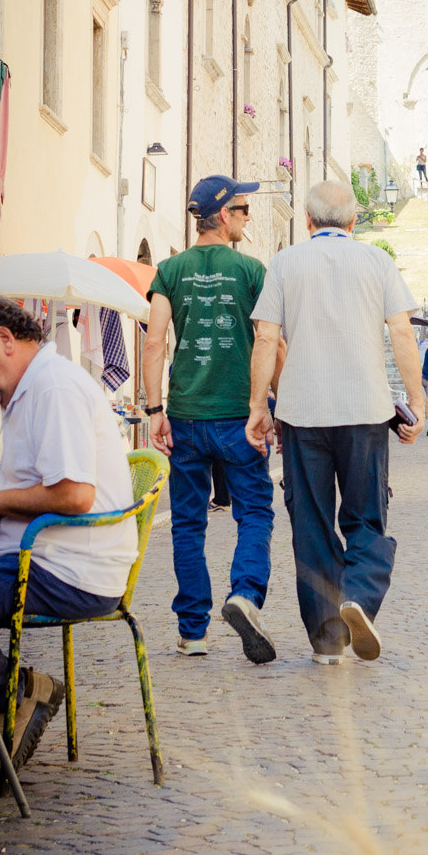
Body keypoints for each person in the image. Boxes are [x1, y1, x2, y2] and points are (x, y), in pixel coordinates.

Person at [246, 180, 424, 666]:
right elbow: (402, 332)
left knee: (311, 523)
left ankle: (327, 641)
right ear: (352, 222)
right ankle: (359, 599)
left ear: (307, 221)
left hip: (302, 412)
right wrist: (416, 399)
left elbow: (266, 339)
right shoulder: (377, 262)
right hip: (365, 408)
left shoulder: (284, 262)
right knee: (366, 516)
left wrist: (258, 407)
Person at [0, 298, 138, 788]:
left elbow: (73, 493)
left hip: (67, 568)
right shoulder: (26, 390)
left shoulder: (54, 386)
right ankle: (3, 693)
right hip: (38, 557)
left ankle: (12, 690)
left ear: (5, 339)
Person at [144, 175, 280, 663]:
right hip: (237, 417)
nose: (247, 217)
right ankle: (244, 594)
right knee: (255, 512)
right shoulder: (251, 270)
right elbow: (272, 342)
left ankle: (192, 632)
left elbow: (155, 341)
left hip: (184, 414)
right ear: (223, 216)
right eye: (242, 209)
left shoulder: (169, 270)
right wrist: (270, 406)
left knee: (187, 522)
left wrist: (154, 409)